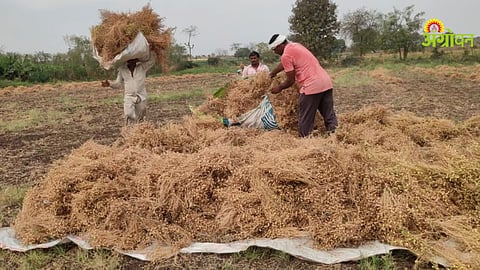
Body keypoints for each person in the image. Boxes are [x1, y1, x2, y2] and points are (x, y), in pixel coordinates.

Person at [268, 34, 338, 137]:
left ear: (280, 46)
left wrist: (279, 88)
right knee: (329, 115)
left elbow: (290, 80)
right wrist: (273, 73)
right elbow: (285, 64)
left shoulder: (286, 55)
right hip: (326, 82)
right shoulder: (296, 46)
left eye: (274, 49)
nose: (274, 52)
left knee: (305, 117)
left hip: (311, 86)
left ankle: (305, 143)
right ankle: (336, 136)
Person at [101, 51, 156, 125]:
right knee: (129, 114)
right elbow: (118, 84)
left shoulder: (142, 67)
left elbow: (152, 61)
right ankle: (131, 131)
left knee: (141, 118)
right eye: (129, 59)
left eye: (133, 59)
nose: (131, 61)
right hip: (129, 96)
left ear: (136, 59)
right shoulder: (122, 70)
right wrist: (109, 84)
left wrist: (153, 49)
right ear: (127, 60)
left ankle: (139, 131)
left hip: (141, 96)